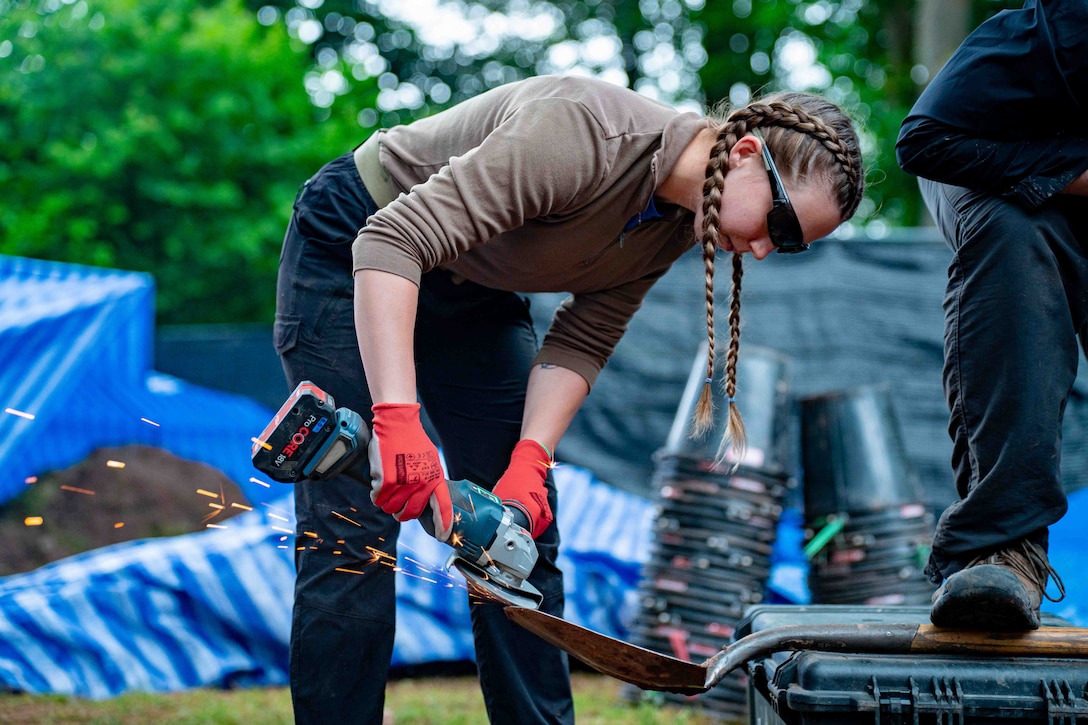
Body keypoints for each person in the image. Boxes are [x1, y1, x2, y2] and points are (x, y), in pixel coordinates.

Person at [275, 73, 864, 724]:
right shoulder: (584, 133)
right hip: (360, 243)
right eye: (778, 226)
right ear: (746, 152)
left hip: (470, 281)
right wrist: (396, 419)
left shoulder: (676, 222)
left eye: (786, 246)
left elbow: (586, 333)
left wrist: (531, 457)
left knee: (515, 537)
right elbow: (393, 239)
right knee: (355, 528)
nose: (761, 250)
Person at [897, 0, 1088, 631]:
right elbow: (925, 140)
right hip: (987, 167)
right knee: (1014, 241)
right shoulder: (1055, 31)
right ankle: (1004, 548)